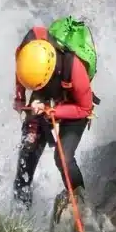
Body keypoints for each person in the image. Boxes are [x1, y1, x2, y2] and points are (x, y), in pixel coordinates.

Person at [12, 24, 95, 212]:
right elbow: (21, 72)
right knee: (28, 148)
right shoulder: (29, 48)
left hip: (73, 104)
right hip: (43, 98)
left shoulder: (73, 67)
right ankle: (20, 209)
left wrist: (52, 110)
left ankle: (80, 203)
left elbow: (84, 108)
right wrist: (20, 96)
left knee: (63, 158)